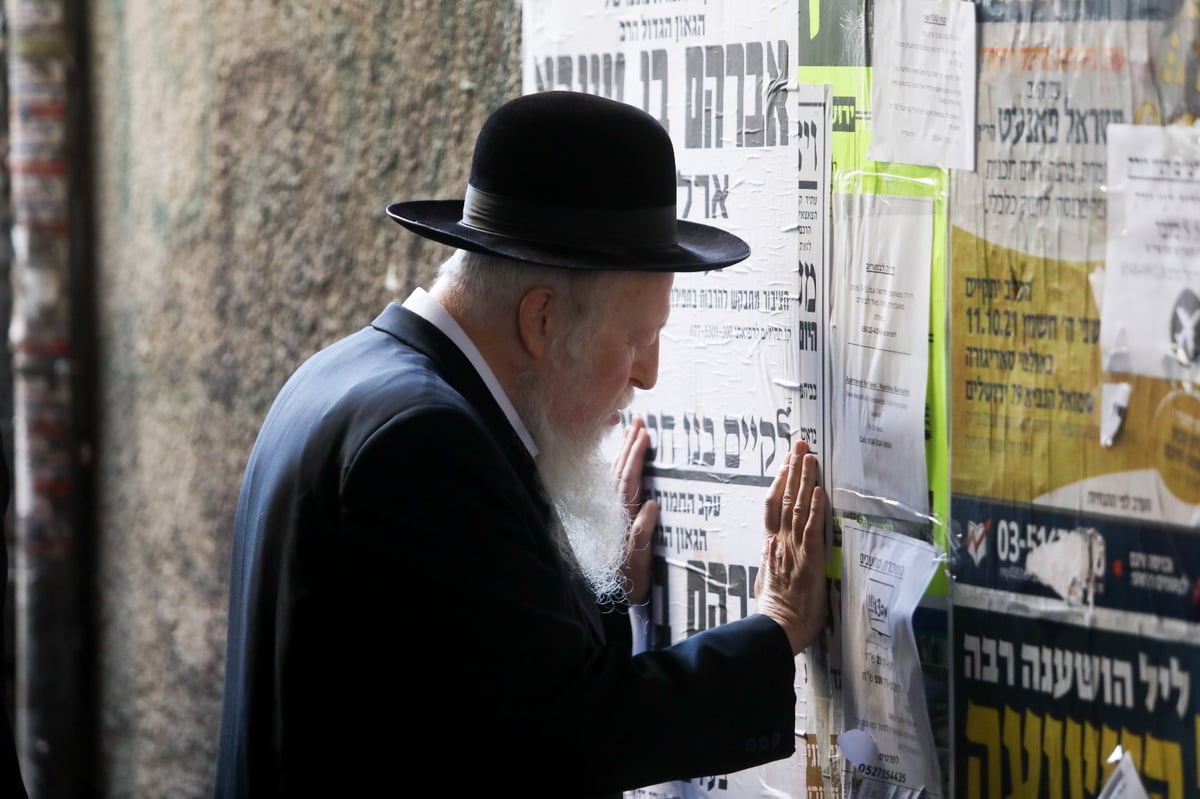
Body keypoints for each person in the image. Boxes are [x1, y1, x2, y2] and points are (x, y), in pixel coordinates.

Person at [215, 90, 826, 798]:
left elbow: (476, 676)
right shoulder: (425, 442)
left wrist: (594, 580)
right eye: (636, 337)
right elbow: (570, 733)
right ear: (541, 319)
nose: (648, 373)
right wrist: (776, 630)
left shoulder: (348, 377)